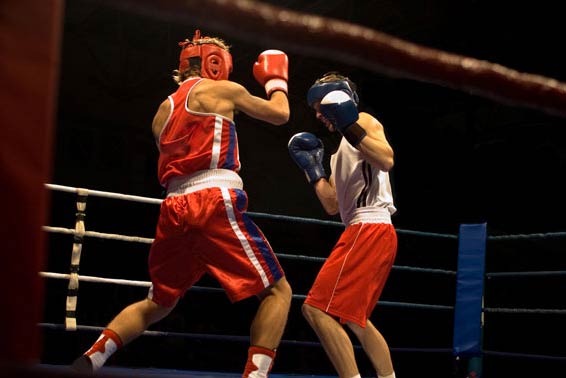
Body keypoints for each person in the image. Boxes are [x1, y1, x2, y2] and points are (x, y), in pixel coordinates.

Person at [72, 30, 292, 377]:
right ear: (215, 63)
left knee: (158, 302)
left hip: (173, 207)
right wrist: (276, 81)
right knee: (278, 293)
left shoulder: (163, 110)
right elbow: (280, 115)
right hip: (213, 199)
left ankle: (91, 358)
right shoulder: (223, 90)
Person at [288, 72, 397, 378]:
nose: (320, 115)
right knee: (355, 318)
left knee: (315, 309)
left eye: (322, 107)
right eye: (317, 111)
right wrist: (314, 171)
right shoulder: (338, 155)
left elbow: (386, 159)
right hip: (362, 229)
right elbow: (332, 206)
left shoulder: (364, 122)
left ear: (342, 98)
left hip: (370, 227)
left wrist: (351, 124)